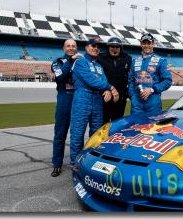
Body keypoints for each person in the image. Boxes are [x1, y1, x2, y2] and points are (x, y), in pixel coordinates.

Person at [69, 37, 119, 167]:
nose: (96, 48)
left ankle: (91, 161)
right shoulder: (80, 62)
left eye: (97, 47)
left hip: (97, 100)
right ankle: (75, 164)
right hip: (82, 98)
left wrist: (107, 90)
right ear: (86, 48)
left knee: (96, 134)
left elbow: (103, 81)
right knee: (77, 134)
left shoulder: (99, 66)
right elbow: (91, 80)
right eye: (92, 46)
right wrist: (110, 88)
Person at [50, 39, 83, 177]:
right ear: (64, 48)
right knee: (60, 135)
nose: (71, 48)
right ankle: (57, 164)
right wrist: (70, 61)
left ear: (76, 48)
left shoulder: (82, 61)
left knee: (78, 136)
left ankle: (78, 164)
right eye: (68, 46)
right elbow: (59, 78)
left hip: (80, 102)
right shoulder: (57, 62)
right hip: (64, 102)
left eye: (73, 46)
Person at [128, 33, 173, 116]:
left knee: (153, 127)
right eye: (144, 43)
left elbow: (168, 81)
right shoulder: (134, 61)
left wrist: (152, 90)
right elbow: (131, 81)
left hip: (153, 102)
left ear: (153, 44)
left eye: (149, 43)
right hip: (136, 103)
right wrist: (132, 96)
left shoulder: (161, 61)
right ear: (141, 44)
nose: (146, 46)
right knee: (135, 126)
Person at [98, 37, 132, 123]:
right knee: (103, 123)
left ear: (120, 48)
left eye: (117, 47)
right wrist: (106, 89)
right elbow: (97, 76)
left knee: (117, 123)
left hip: (121, 97)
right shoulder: (100, 58)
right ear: (108, 47)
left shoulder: (127, 58)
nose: (114, 49)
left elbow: (132, 76)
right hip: (105, 95)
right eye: (112, 47)